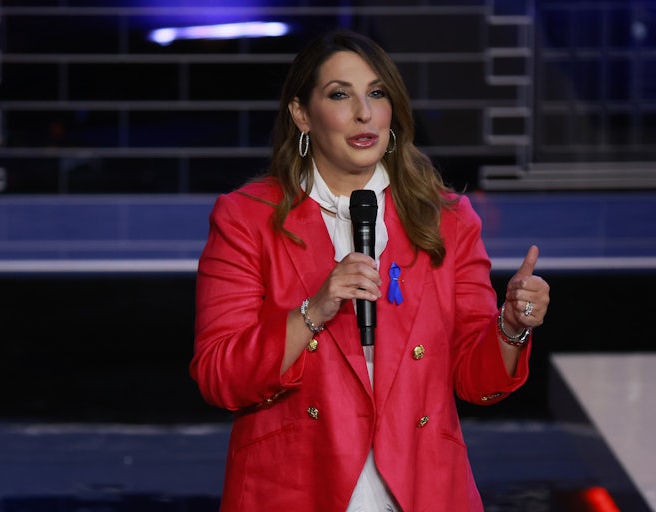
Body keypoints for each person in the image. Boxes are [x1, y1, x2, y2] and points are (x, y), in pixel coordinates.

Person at [190, 28, 550, 512]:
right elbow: (220, 377)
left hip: (423, 489)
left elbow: (477, 382)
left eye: (377, 94)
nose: (364, 113)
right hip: (295, 489)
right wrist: (313, 311)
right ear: (302, 114)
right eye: (340, 95)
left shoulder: (447, 218)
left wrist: (510, 327)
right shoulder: (246, 218)